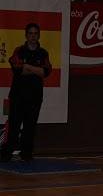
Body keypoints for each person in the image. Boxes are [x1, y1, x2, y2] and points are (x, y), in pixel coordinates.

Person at [0, 23, 52, 162]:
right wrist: (35, 69)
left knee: (30, 126)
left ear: (38, 35)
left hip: (35, 97)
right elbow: (17, 70)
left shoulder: (43, 53)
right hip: (18, 96)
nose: (33, 36)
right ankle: (7, 153)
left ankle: (26, 154)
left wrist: (27, 66)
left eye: (35, 33)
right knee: (14, 125)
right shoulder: (19, 51)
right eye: (30, 33)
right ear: (26, 35)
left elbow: (45, 72)